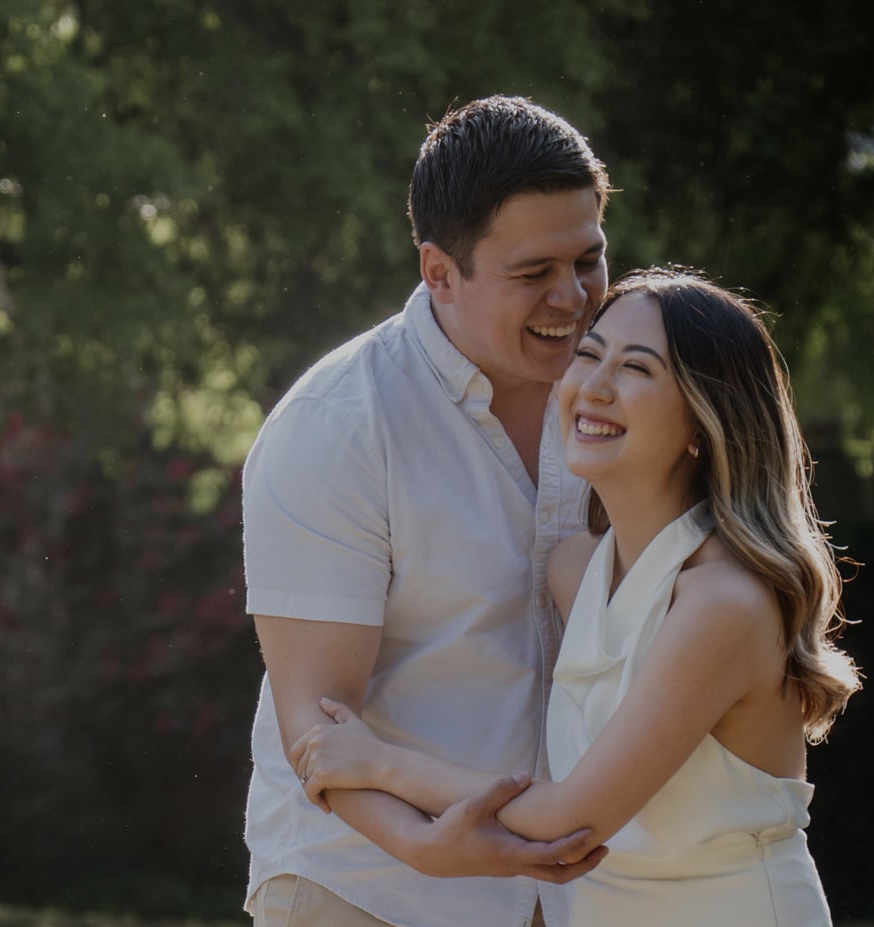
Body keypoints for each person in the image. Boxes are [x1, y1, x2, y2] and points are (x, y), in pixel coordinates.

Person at [290, 268, 863, 926]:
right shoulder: (574, 571)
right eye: (589, 355)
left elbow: (570, 818)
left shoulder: (725, 602)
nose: (592, 386)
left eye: (636, 368)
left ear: (705, 422)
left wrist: (379, 762)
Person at [240, 95, 614, 927]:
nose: (573, 296)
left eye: (588, 259)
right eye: (533, 273)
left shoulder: (632, 395)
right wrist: (424, 844)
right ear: (439, 272)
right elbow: (317, 720)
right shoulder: (337, 425)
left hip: (581, 894)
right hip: (369, 888)